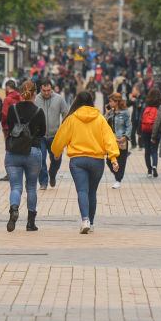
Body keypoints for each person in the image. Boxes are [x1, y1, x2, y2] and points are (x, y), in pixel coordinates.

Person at [50, 91, 119, 233]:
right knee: (92, 192)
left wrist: (56, 152)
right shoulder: (100, 119)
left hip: (77, 160)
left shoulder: (71, 119)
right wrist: (113, 158)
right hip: (97, 160)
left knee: (82, 190)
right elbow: (109, 139)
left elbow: (60, 138)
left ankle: (85, 219)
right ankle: (92, 223)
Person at [3, 80, 45, 232]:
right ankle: (30, 222)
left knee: (16, 186)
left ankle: (14, 209)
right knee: (32, 186)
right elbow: (43, 132)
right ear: (35, 93)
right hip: (33, 150)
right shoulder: (39, 111)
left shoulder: (13, 108)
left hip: (14, 151)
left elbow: (9, 125)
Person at [35, 79, 69, 190]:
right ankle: (43, 182)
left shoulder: (59, 99)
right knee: (41, 159)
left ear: (51, 89)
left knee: (57, 159)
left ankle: (52, 174)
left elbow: (65, 114)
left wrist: (64, 130)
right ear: (40, 89)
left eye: (48, 90)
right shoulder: (35, 99)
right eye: (44, 90)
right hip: (40, 136)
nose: (46, 93)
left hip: (55, 136)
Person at [106, 92, 132, 189]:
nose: (109, 103)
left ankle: (118, 179)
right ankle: (117, 175)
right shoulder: (111, 112)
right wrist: (106, 113)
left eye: (111, 101)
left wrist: (126, 137)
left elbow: (129, 125)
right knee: (109, 160)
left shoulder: (125, 113)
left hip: (121, 139)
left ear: (116, 102)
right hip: (112, 140)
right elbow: (104, 124)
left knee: (121, 160)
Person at [140, 87, 160, 177]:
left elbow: (140, 118)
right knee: (154, 150)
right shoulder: (159, 106)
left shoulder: (145, 105)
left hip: (145, 130)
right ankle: (155, 165)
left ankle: (149, 170)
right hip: (155, 130)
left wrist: (139, 131)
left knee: (147, 150)